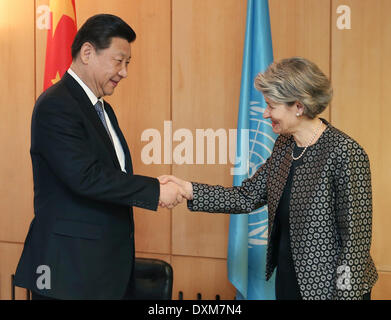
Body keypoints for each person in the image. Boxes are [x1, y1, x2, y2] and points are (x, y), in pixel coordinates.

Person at [159, 57, 378, 300]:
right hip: (288, 280)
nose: (265, 114)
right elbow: (246, 197)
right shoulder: (284, 145)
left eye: (271, 106)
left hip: (330, 289)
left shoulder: (344, 152)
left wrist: (345, 297)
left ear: (298, 106)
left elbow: (355, 243)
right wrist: (188, 189)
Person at [14, 14, 184, 300]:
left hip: (103, 270)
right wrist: (155, 190)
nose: (124, 72)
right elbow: (86, 177)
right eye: (119, 61)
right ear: (88, 52)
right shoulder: (56, 105)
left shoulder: (103, 110)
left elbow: (113, 177)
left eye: (127, 63)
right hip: (68, 272)